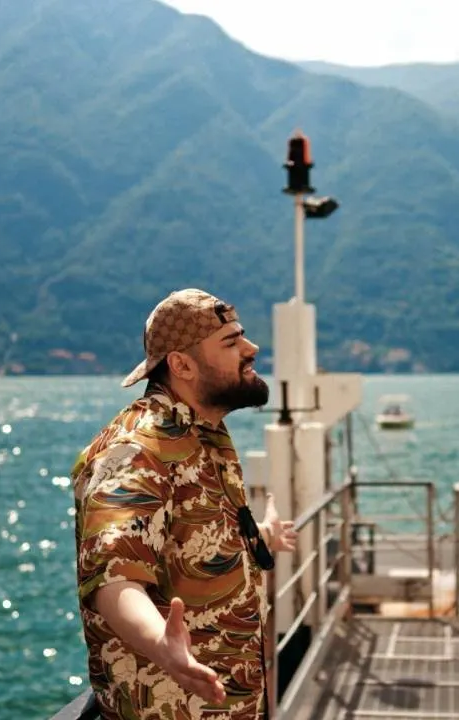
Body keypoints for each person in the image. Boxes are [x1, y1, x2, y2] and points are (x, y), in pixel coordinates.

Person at [70, 288, 298, 719]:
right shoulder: (137, 450)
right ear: (182, 365)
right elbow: (114, 578)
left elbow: (190, 539)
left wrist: (260, 538)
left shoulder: (201, 433)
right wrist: (161, 643)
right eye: (231, 342)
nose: (251, 349)